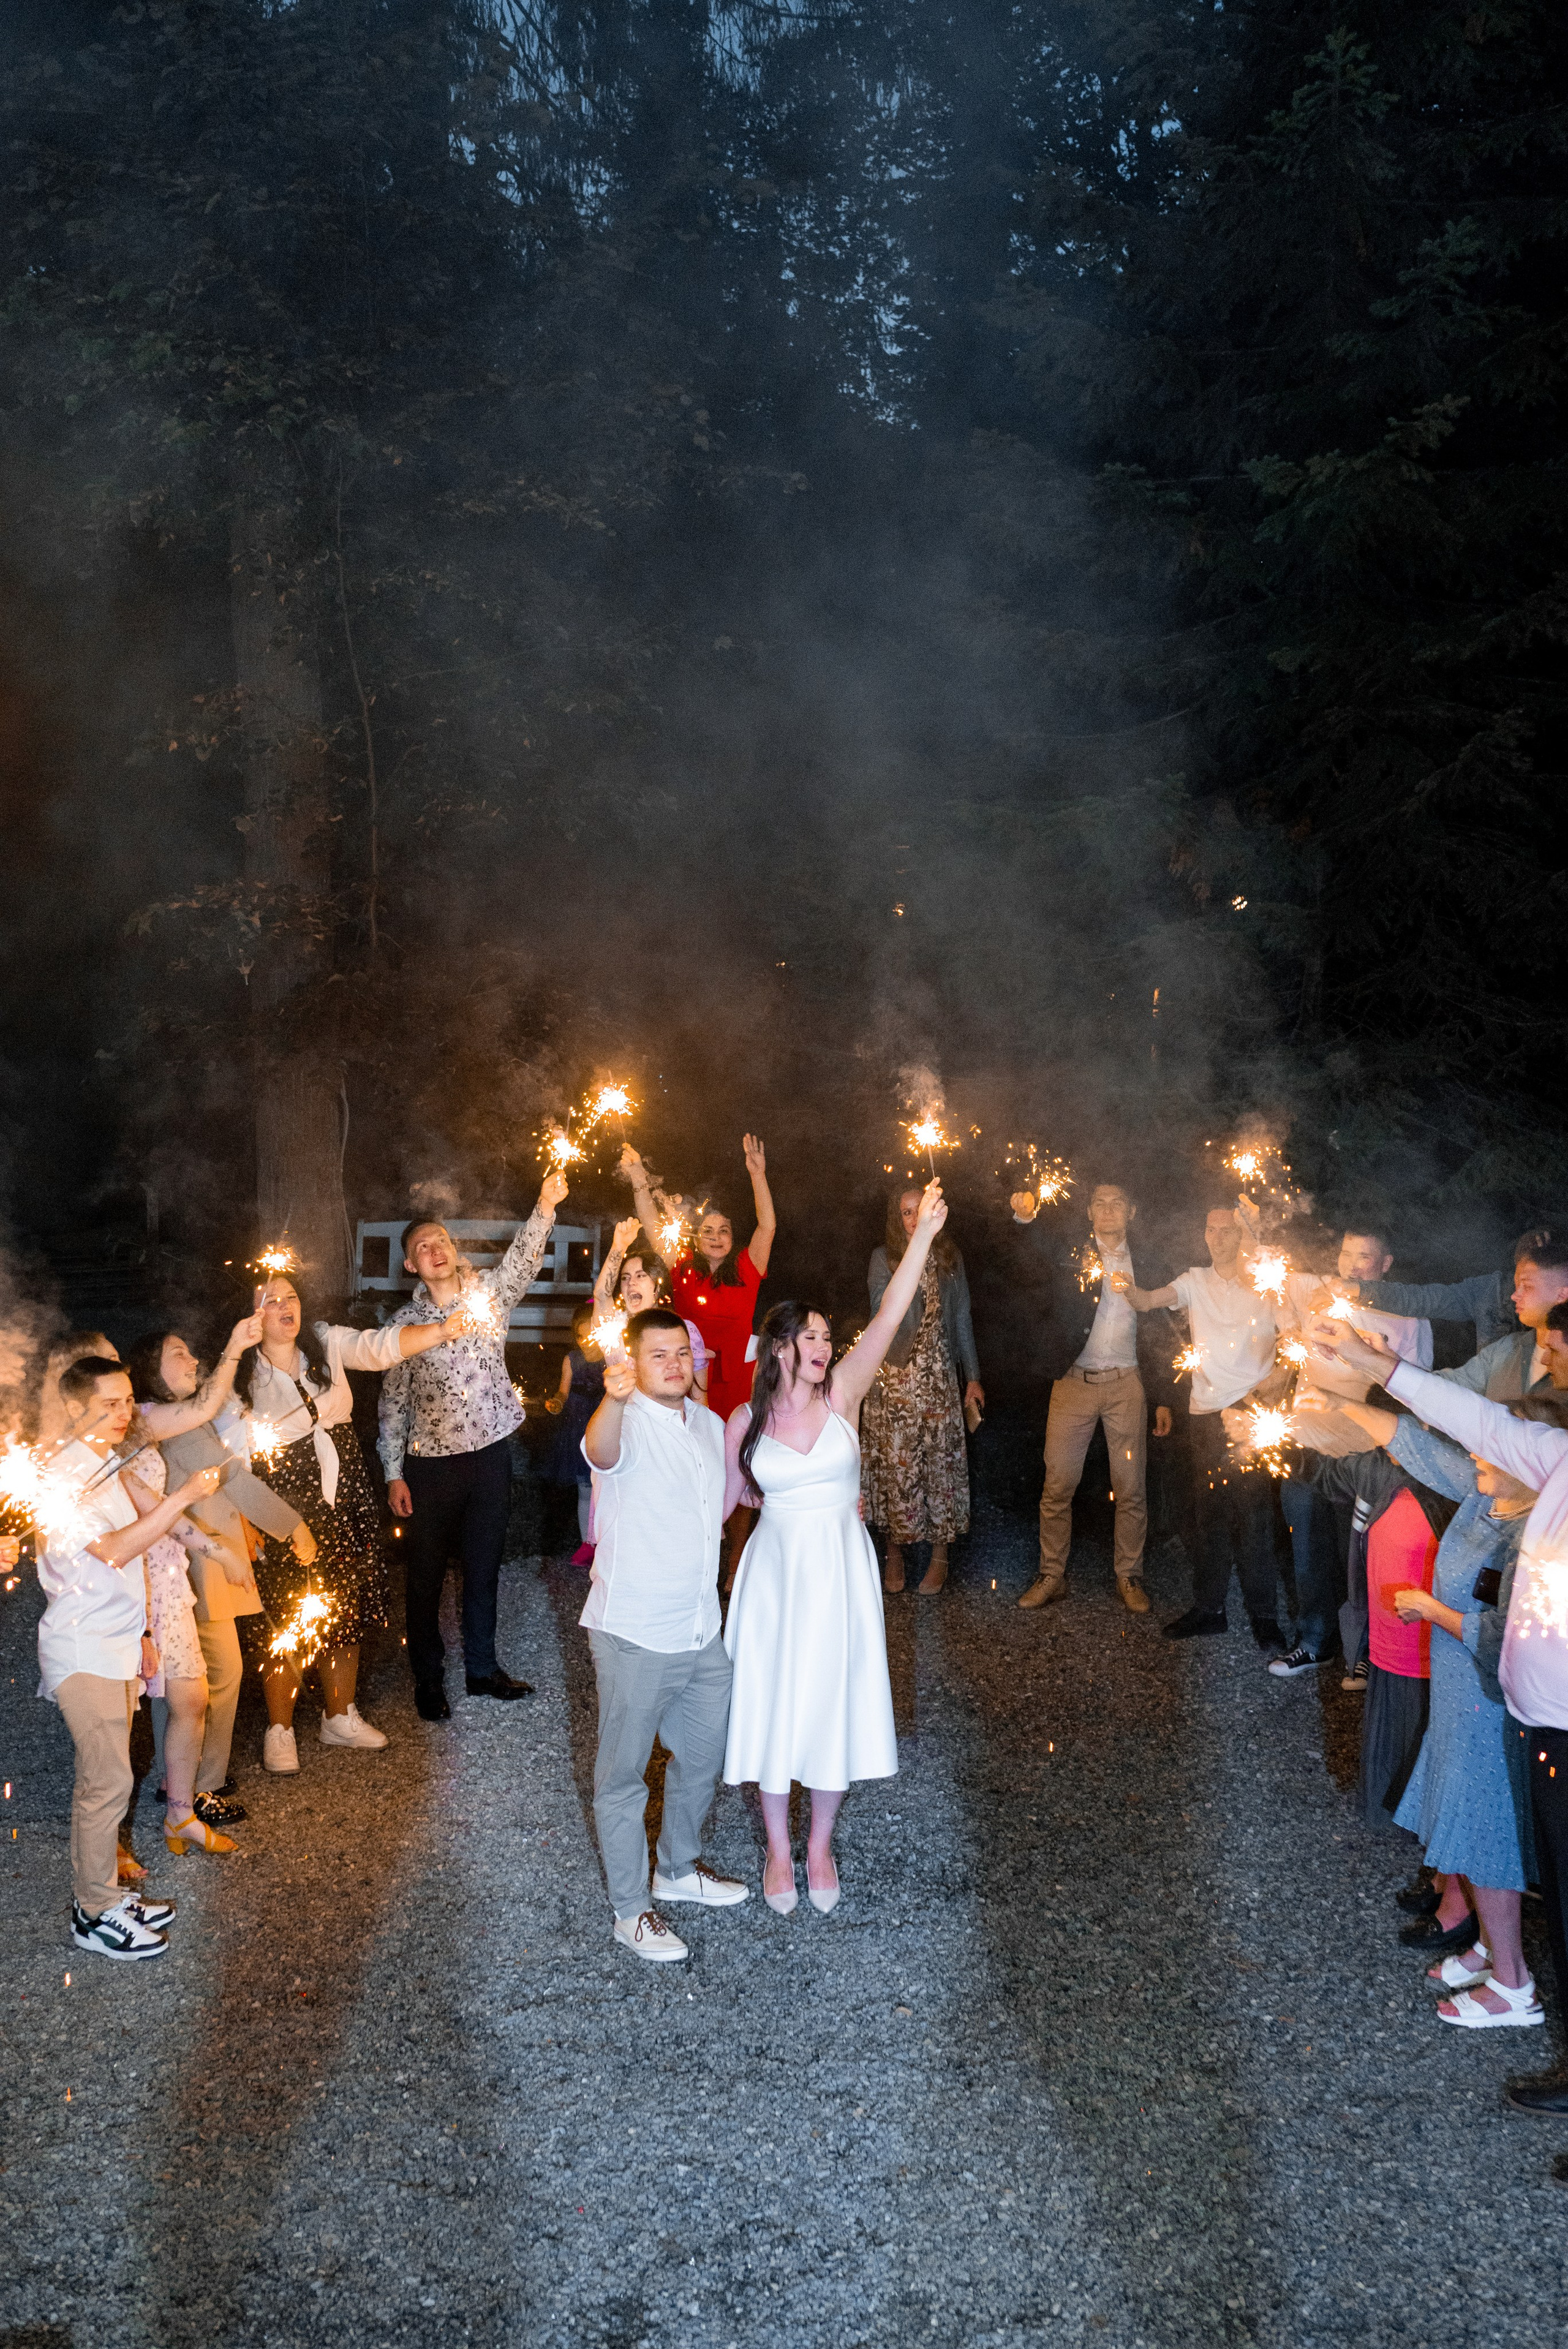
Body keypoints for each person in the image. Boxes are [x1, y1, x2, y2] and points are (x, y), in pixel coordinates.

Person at [1311, 1318, 1568, 2131]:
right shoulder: (1540, 1472)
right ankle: (1510, 1969)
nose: (1492, 1459)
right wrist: (1376, 1368)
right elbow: (1470, 1432)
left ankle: (1516, 1984)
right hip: (1533, 1721)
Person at [721, 1177, 949, 1915]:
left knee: (830, 1703)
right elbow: (719, 1507)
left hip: (840, 1574)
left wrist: (920, 1238)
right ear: (779, 1346)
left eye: (826, 1336)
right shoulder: (742, 1422)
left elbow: (889, 1314)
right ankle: (779, 1854)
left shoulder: (845, 1393)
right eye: (809, 1335)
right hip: (775, 1575)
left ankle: (818, 1844)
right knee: (774, 1704)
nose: (823, 1345)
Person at [231, 1272, 470, 1769]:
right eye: (271, 1300)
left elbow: (380, 1346)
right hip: (283, 1500)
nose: (285, 1306)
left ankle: (339, 1715)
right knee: (286, 1610)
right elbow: (233, 1457)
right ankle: (279, 1727)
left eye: (291, 1296)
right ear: (253, 1314)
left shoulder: (325, 1341)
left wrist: (443, 1330)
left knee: (347, 1599)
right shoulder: (239, 1372)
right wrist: (249, 1517)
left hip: (347, 1491)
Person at [35, 1355, 222, 1959]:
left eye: (125, 1401)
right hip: (82, 1649)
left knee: (111, 1777)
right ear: (74, 1408)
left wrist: (143, 1631)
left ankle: (109, 1894)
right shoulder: (63, 1476)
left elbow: (130, 1563)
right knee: (106, 1779)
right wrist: (188, 1494)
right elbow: (117, 1549)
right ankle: (93, 1913)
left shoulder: (104, 1466)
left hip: (116, 1645)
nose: (123, 1413)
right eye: (107, 1403)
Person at [579, 1308, 748, 1964]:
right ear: (633, 1362)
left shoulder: (707, 1425)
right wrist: (613, 1398)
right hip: (635, 1633)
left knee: (702, 1757)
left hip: (702, 1629)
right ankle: (630, 1910)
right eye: (658, 1354)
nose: (674, 1363)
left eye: (681, 1351)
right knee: (622, 1778)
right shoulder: (624, 1421)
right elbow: (601, 1452)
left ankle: (678, 1868)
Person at [379, 1171, 569, 1718]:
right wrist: (394, 1471)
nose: (433, 1248)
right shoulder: (405, 1325)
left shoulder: (488, 1295)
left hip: (490, 1456)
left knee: (484, 1568)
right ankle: (429, 1679)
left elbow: (523, 1263)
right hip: (430, 1467)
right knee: (426, 1576)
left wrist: (545, 1204)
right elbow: (393, 1403)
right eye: (421, 1246)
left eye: (439, 1239)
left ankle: (482, 1670)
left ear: (452, 1247)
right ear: (411, 1265)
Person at [127, 1326, 318, 1812]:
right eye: (179, 1354)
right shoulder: (177, 1422)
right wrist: (290, 1525)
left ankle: (188, 1781)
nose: (193, 1360)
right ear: (153, 1372)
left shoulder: (173, 1420)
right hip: (192, 1567)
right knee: (211, 1675)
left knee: (200, 1676)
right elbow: (229, 1475)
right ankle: (195, 1787)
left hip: (203, 1560)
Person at [1265, 1226, 1432, 1680]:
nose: (1351, 1265)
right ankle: (1315, 1642)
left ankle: (1366, 1651)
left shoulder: (1406, 1316)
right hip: (1305, 1451)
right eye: (1346, 1253)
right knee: (1307, 1552)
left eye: (1364, 1257)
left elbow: (1421, 1391)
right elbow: (1266, 1269)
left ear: (1385, 1264)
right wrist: (1258, 1229)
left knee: (1360, 1559)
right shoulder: (1313, 1290)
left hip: (1363, 1461)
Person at [1114, 1202, 1284, 1644]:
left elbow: (1292, 1348)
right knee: (1208, 1515)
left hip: (1253, 1414)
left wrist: (1260, 1396)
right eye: (1211, 1229)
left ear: (1242, 1235)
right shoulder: (1195, 1280)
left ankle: (1264, 1615)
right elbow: (1153, 1299)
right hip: (1206, 1413)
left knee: (1256, 1516)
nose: (1218, 1237)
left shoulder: (1269, 1287)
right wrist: (1131, 1291)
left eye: (1227, 1229)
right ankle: (1210, 1609)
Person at [1012, 1179, 1172, 1616]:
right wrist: (1025, 1218)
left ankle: (1129, 1574)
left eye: (1116, 1202)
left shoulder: (1149, 1261)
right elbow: (1032, 1254)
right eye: (1098, 1203)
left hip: (1128, 1384)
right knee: (1058, 1484)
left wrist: (1161, 1396)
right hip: (1074, 1381)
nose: (1107, 1210)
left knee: (1131, 1487)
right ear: (1088, 1212)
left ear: (1131, 1211)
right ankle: (1052, 1574)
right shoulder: (1071, 1253)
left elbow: (1158, 1329)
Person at [625, 1136, 776, 1581]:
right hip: (688, 1383)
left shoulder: (748, 1270)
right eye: (707, 1229)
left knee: (738, 1467)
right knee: (695, 1465)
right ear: (697, 1236)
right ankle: (698, 1554)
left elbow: (767, 1226)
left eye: (723, 1229)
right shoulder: (683, 1269)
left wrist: (757, 1173)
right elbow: (653, 1226)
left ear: (732, 1239)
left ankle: (736, 1560)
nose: (715, 1236)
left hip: (738, 1382)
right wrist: (637, 1179)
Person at [860, 1185, 983, 1596]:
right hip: (895, 1378)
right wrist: (912, 1261)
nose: (914, 1220)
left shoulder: (950, 1257)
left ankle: (939, 1555)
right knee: (897, 1470)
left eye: (920, 1210)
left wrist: (973, 1376)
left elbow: (962, 1315)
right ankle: (894, 1553)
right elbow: (884, 1312)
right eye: (907, 1213)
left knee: (939, 1467)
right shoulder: (884, 1258)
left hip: (938, 1378)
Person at [1343, 1224, 1566, 1357]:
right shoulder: (1490, 1292)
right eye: (1518, 1279)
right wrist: (1357, 1290)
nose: (1515, 1295)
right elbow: (1421, 1299)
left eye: (1528, 1284)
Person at [592, 1216, 710, 1408]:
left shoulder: (684, 1331)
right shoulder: (613, 1331)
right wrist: (618, 1247)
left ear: (657, 1288)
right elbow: (601, 1295)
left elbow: (700, 1399)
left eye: (641, 1276)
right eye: (625, 1278)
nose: (631, 1283)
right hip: (625, 1422)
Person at [546, 1301, 608, 1560]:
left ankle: (607, 1543)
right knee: (584, 1488)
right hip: (577, 1428)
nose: (584, 1342)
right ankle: (587, 1545)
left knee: (605, 1488)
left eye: (590, 1336)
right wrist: (557, 1403)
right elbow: (563, 1391)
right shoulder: (571, 1360)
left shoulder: (611, 1358)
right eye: (579, 1336)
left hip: (604, 1426)